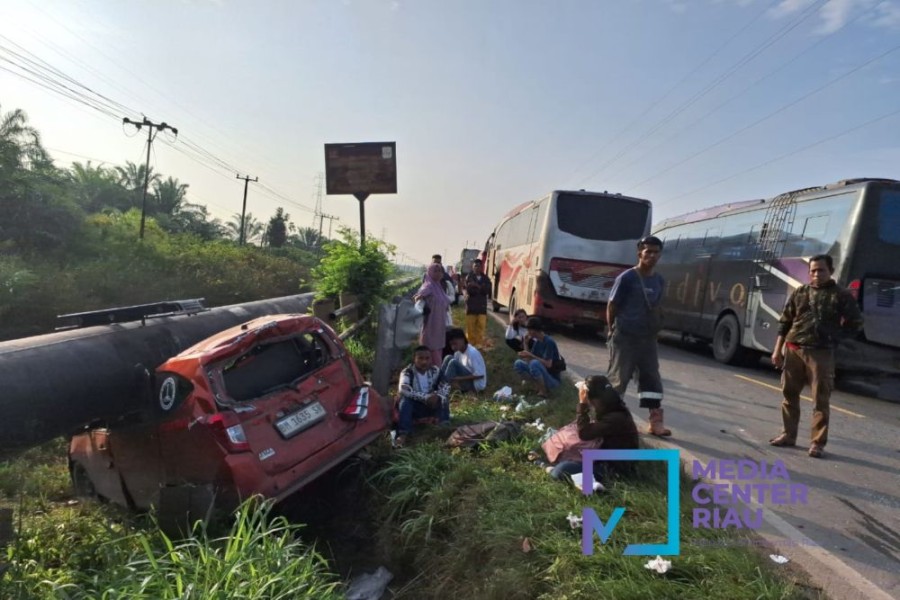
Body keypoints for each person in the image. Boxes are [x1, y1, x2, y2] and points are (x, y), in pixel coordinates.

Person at [768, 254, 863, 459]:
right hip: (793, 349)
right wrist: (777, 350)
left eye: (821, 270)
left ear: (831, 271)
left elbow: (855, 324)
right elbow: (785, 322)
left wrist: (834, 337)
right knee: (789, 395)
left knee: (820, 399)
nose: (816, 274)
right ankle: (788, 435)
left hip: (821, 353)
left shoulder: (841, 295)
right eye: (813, 271)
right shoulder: (801, 292)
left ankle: (817, 443)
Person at [606, 235, 671, 437]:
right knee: (619, 379)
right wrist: (611, 330)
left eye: (656, 252)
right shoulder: (626, 278)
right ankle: (609, 419)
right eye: (648, 251)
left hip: (647, 338)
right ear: (639, 253)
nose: (652, 256)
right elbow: (612, 305)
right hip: (625, 337)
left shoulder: (659, 280)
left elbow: (657, 307)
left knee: (652, 379)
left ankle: (655, 421)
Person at [544, 375, 640, 482]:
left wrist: (582, 405)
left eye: (590, 401)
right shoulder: (613, 408)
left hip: (614, 468)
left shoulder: (615, 419)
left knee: (561, 470)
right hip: (604, 459)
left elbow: (584, 434)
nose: (590, 404)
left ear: (596, 400)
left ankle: (548, 467)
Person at [395, 345, 451, 448]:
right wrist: (426, 397)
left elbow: (446, 385)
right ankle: (403, 434)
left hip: (431, 406)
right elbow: (404, 389)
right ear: (414, 359)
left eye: (427, 358)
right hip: (415, 408)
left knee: (443, 398)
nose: (424, 362)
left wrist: (438, 396)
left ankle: (444, 428)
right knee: (405, 400)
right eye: (420, 358)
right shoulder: (407, 372)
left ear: (431, 359)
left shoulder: (436, 370)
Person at [514, 317, 561, 397]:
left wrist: (531, 355)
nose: (528, 332)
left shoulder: (549, 342)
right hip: (542, 373)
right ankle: (537, 386)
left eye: (529, 330)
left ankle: (543, 392)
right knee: (518, 364)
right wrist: (525, 344)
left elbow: (548, 364)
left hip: (552, 380)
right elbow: (528, 361)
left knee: (534, 363)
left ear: (534, 330)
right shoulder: (537, 342)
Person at [415, 263, 452, 365]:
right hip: (431, 323)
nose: (438, 273)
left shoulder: (439, 287)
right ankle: (432, 369)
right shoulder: (428, 286)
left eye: (440, 271)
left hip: (440, 323)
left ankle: (436, 370)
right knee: (431, 348)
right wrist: (420, 301)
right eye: (435, 271)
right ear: (430, 272)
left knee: (438, 348)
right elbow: (417, 297)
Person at [439, 328, 487, 393]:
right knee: (448, 357)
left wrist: (459, 378)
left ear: (462, 339)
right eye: (451, 345)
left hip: (475, 384)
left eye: (455, 343)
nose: (453, 347)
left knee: (453, 362)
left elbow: (480, 375)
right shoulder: (457, 352)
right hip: (465, 380)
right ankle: (439, 382)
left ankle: (442, 390)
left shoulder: (473, 353)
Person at [464, 258, 492, 347]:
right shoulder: (469, 277)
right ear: (473, 267)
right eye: (475, 266)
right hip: (471, 307)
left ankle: (479, 345)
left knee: (481, 327)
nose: (477, 268)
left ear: (482, 267)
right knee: (470, 329)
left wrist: (476, 286)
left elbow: (486, 291)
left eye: (479, 266)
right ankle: (470, 346)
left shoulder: (486, 278)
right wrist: (480, 288)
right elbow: (470, 291)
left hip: (482, 307)